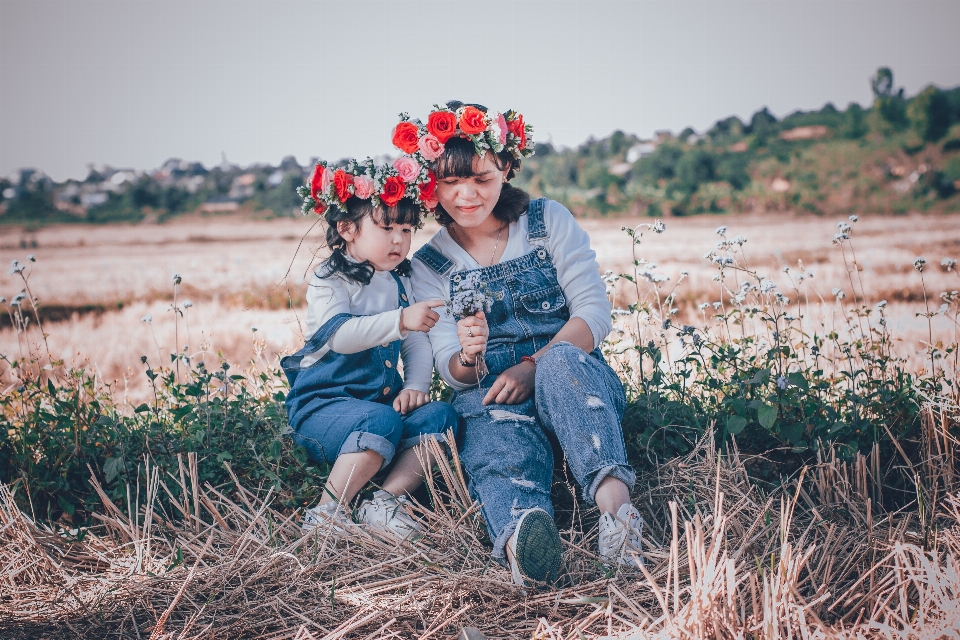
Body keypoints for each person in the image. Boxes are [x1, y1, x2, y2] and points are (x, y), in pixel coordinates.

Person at [402, 102, 644, 586]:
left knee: (562, 368)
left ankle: (618, 521)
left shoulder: (546, 221)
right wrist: (470, 356)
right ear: (431, 182)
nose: (466, 196)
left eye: (482, 179)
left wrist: (534, 364)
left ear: (506, 168)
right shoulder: (428, 264)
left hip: (569, 374)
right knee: (494, 437)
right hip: (490, 390)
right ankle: (524, 542)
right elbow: (450, 370)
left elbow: (593, 315)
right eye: (450, 184)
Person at [283, 158, 459, 539]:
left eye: (407, 229)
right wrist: (399, 320)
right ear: (346, 228)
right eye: (386, 227)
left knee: (441, 416)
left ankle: (384, 502)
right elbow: (340, 337)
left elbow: (416, 340)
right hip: (323, 410)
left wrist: (415, 385)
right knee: (380, 421)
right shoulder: (330, 280)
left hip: (380, 409)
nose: (399, 239)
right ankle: (328, 513)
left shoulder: (401, 278)